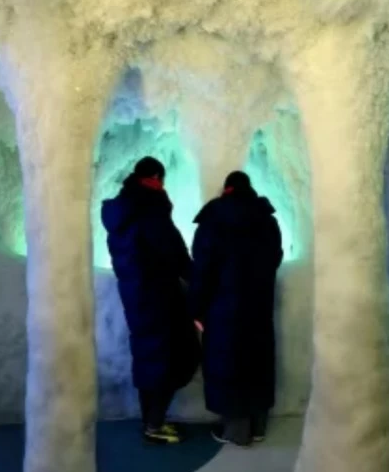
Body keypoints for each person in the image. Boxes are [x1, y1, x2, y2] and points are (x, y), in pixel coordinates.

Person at [101, 157, 200, 444]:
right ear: (156, 178)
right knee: (173, 356)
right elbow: (174, 252)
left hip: (135, 294)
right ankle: (155, 425)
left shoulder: (122, 211)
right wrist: (198, 279)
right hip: (159, 294)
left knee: (149, 355)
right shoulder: (151, 208)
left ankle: (150, 420)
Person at [190, 171, 283, 447]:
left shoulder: (212, 222)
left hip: (223, 309)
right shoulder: (267, 221)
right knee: (257, 362)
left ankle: (235, 430)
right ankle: (258, 426)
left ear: (226, 189)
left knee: (228, 362)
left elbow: (202, 270)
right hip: (258, 306)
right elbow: (274, 258)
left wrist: (197, 309)